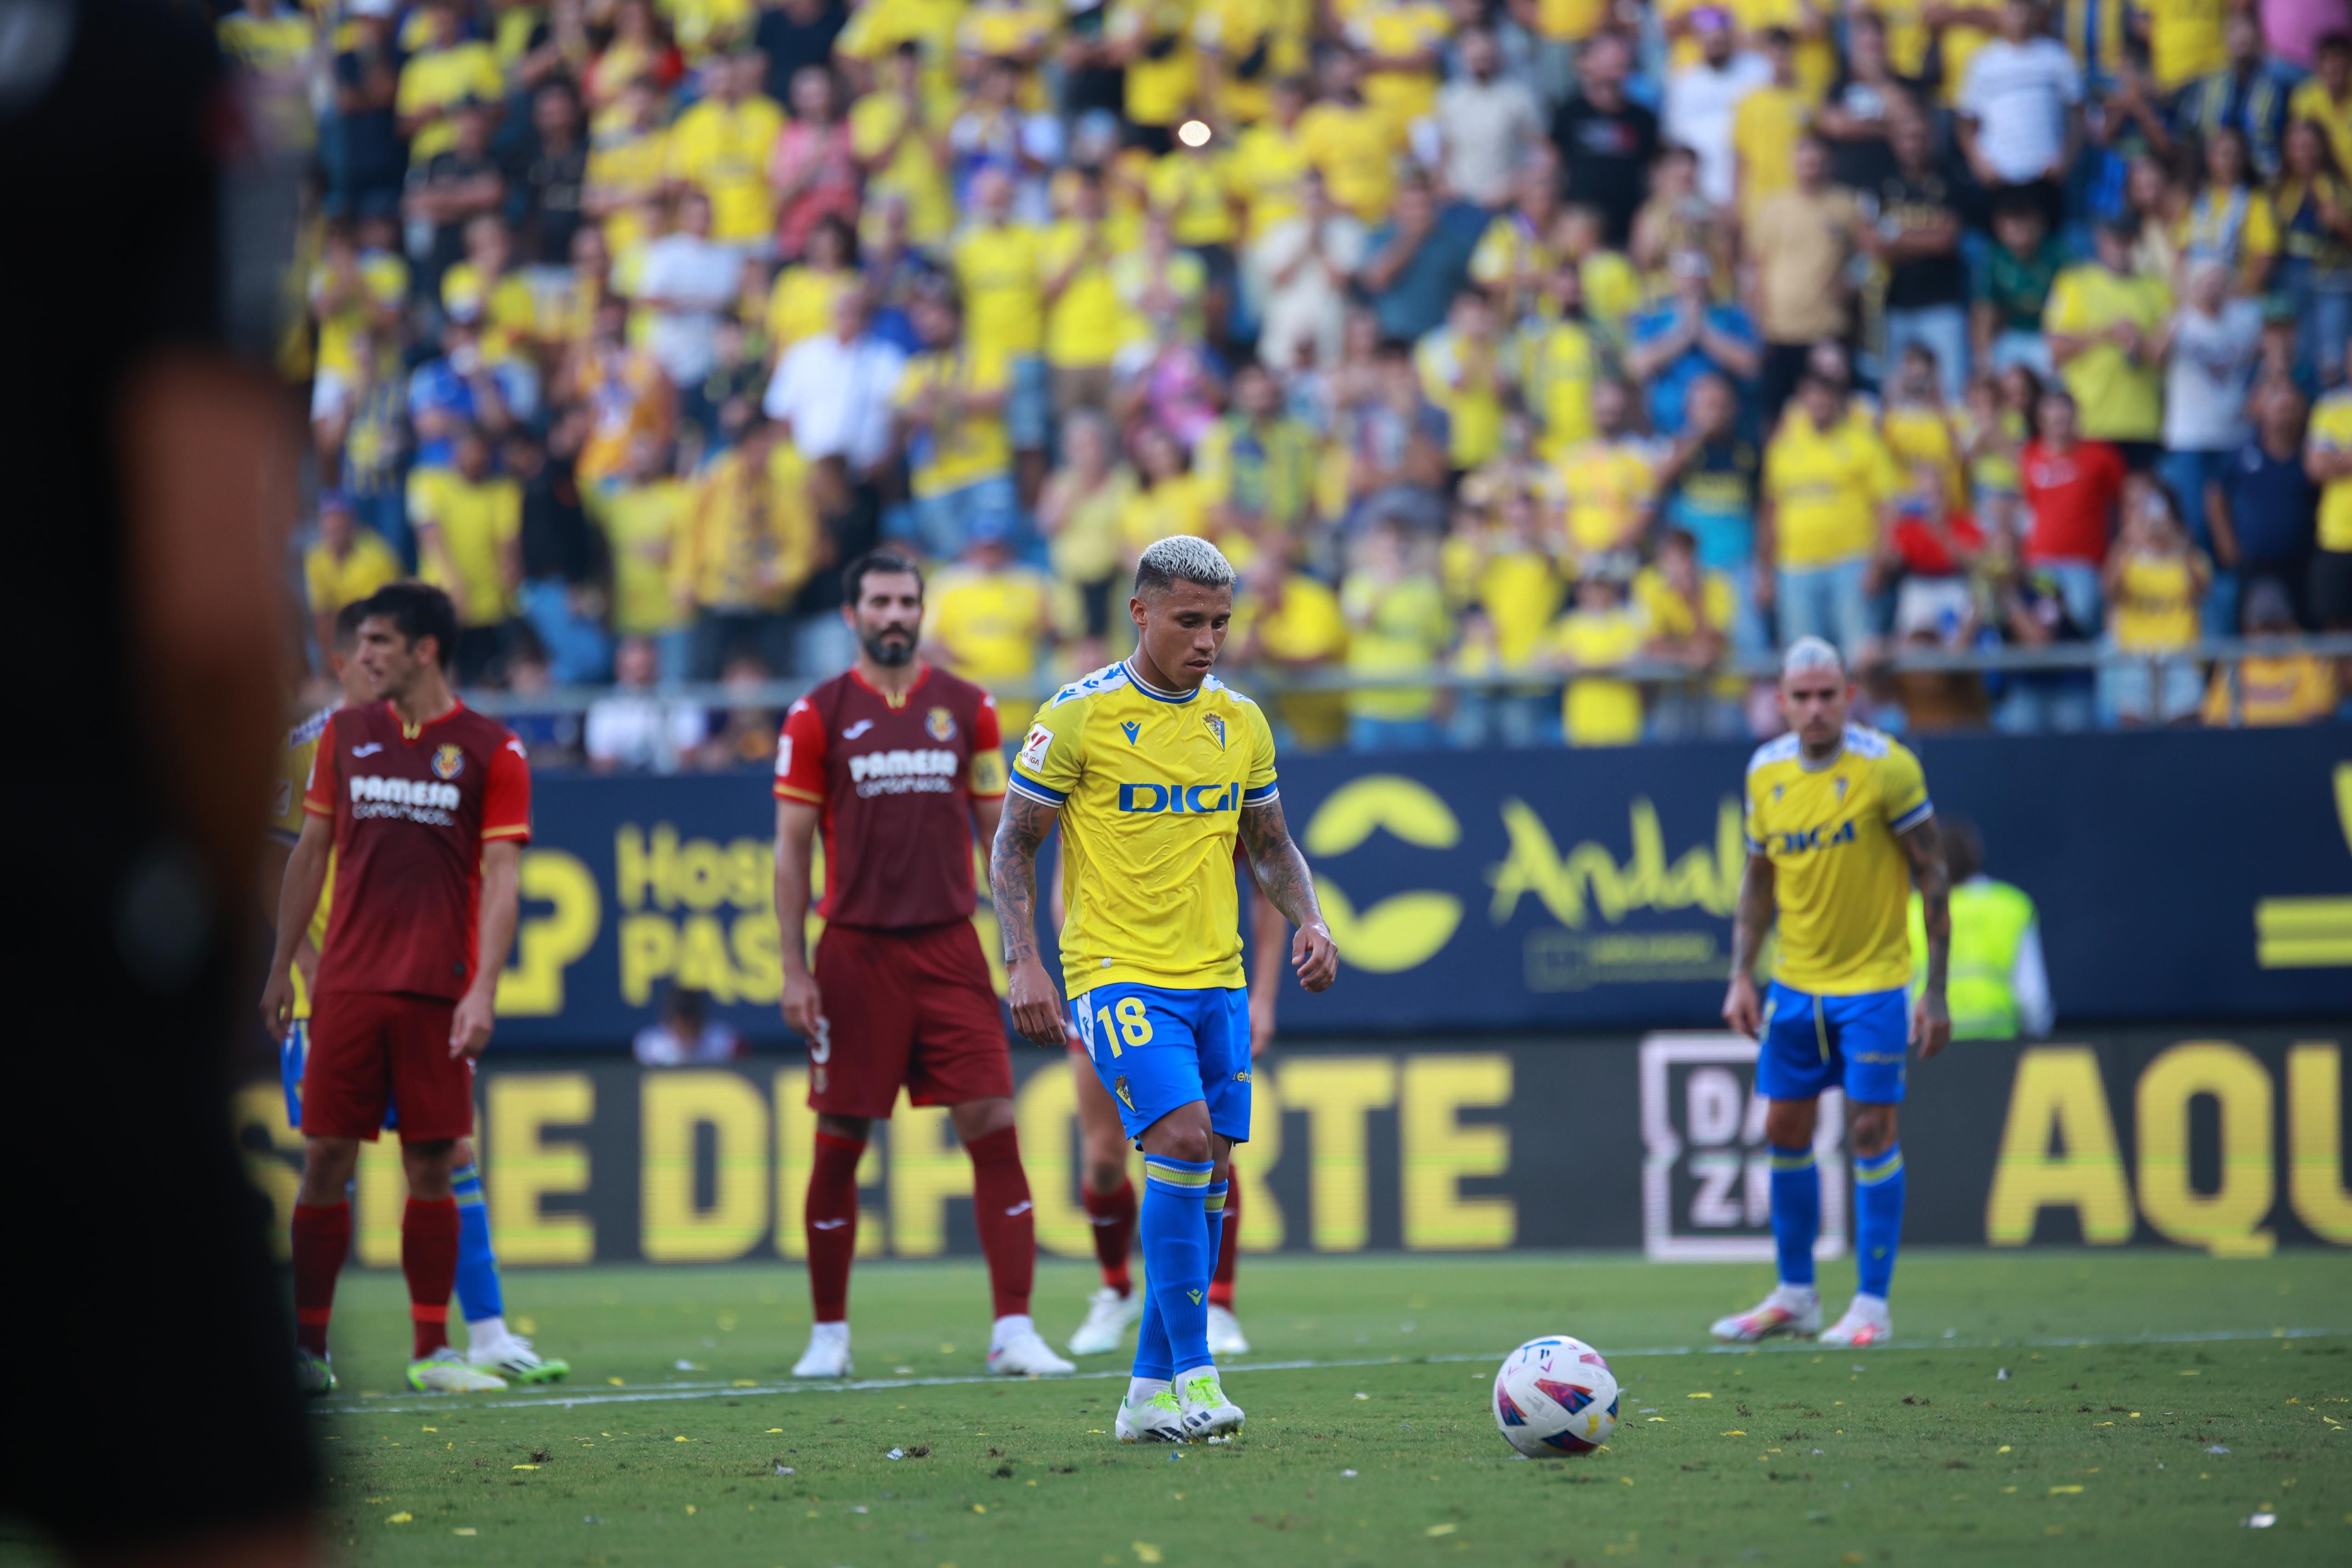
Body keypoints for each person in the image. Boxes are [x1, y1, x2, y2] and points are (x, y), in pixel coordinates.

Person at [990, 534, 1340, 1443]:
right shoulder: (1078, 716)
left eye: (1220, 623)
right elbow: (1013, 842)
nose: (1207, 640)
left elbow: (1268, 846)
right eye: (1189, 621)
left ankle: (1144, 1396)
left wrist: (1310, 918)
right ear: (1139, 612)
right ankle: (1195, 1377)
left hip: (1214, 975)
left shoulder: (1243, 722)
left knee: (1209, 1171)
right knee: (1180, 1141)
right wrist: (1022, 959)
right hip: (1115, 970)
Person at [772, 551, 1072, 1381]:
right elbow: (792, 852)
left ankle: (1015, 1327)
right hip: (854, 952)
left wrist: (1022, 957)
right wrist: (794, 970)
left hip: (948, 947)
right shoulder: (816, 714)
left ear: (922, 610)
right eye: (880, 600)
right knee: (839, 1139)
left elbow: (1001, 841)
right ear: (853, 614)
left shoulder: (968, 708)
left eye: (907, 600)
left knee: (993, 1124)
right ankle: (828, 1333)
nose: (894, 613)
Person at [269, 604, 566, 1385]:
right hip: (339, 987)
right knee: (329, 1154)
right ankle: (311, 1350)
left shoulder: (488, 747)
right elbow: (296, 854)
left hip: (432, 988)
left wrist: (482, 988)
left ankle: (451, 1343)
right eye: (357, 644)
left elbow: (503, 876)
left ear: (420, 652)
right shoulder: (329, 740)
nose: (363, 657)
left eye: (378, 643)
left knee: (440, 1156)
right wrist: (288, 966)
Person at [1716, 636, 1951, 1351]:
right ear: (1780, 701)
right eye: (1802, 696)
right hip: (1796, 985)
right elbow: (1759, 882)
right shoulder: (1765, 772)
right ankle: (1796, 1294)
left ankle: (1871, 1307)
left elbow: (1933, 873)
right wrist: (1740, 974)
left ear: (1850, 696)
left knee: (1870, 1133)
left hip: (1875, 985)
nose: (1816, 708)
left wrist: (1934, 989)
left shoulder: (1890, 768)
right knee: (1784, 1129)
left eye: (1828, 694)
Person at [1906, 818, 2053, 1040]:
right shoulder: (2011, 907)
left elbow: (1901, 993)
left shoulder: (1913, 910)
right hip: (1998, 1048)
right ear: (1976, 855)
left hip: (1930, 1048)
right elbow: (2033, 1000)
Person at [632, 984, 746, 1064]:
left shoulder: (722, 1041)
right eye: (681, 1026)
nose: (686, 1032)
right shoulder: (651, 1046)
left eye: (691, 1026)